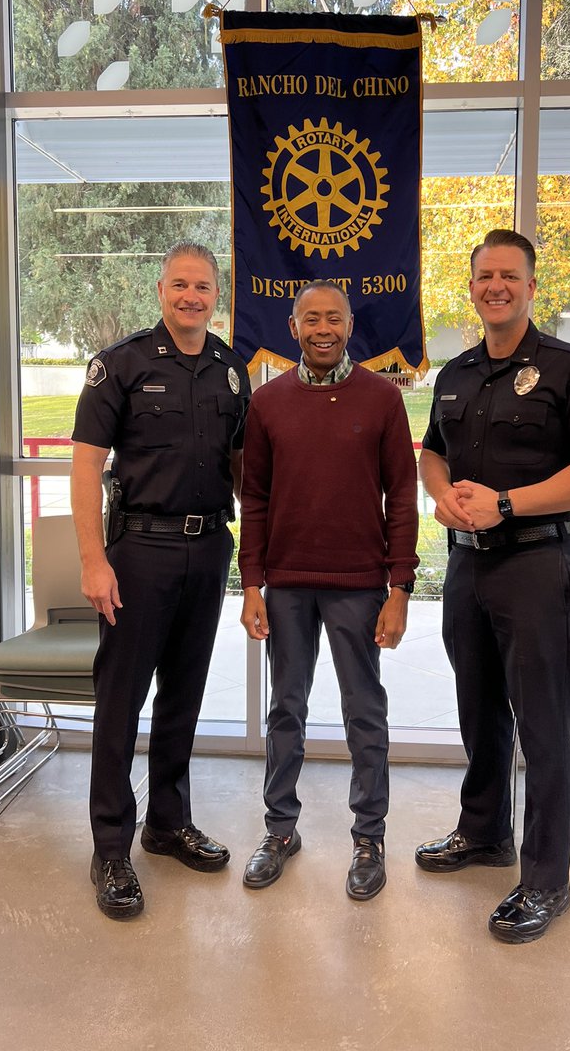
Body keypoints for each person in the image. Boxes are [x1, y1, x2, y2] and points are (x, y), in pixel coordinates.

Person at [415, 229, 570, 944]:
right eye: (484, 276)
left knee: (541, 726)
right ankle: (484, 834)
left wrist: (508, 502)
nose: (496, 286)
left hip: (538, 562)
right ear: (472, 287)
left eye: (509, 275)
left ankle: (545, 879)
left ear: (532, 287)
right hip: (469, 564)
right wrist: (443, 496)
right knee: (478, 710)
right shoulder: (457, 373)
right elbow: (432, 457)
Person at [71, 242, 251, 920]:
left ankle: (168, 823)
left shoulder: (233, 370)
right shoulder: (120, 365)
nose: (191, 296)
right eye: (180, 284)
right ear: (161, 289)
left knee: (183, 696)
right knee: (121, 702)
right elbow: (87, 468)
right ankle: (111, 846)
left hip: (208, 551)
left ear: (216, 293)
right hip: (137, 554)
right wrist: (94, 560)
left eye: (202, 286)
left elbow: (243, 468)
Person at [238, 280, 418, 901]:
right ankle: (280, 830)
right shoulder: (266, 404)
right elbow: (253, 499)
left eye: (333, 318)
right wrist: (252, 583)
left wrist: (400, 588)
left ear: (349, 326)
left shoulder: (382, 399)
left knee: (363, 711)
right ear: (293, 327)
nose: (322, 328)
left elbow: (403, 498)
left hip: (359, 584)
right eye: (310, 318)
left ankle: (370, 837)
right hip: (285, 584)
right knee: (285, 710)